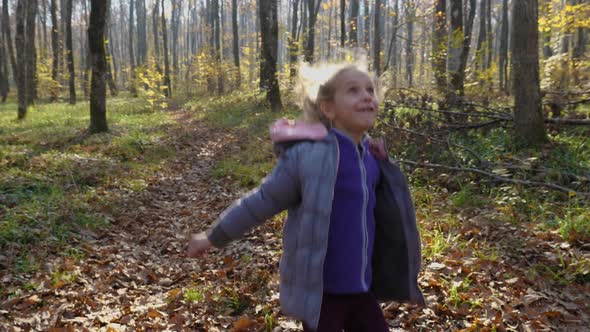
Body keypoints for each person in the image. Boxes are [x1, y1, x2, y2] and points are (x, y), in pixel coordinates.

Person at [186, 63, 424, 332]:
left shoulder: (373, 159)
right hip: (322, 296)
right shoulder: (308, 157)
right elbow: (261, 201)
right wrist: (213, 237)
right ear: (328, 108)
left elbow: (391, 220)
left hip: (362, 290)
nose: (367, 96)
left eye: (370, 89)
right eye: (353, 90)